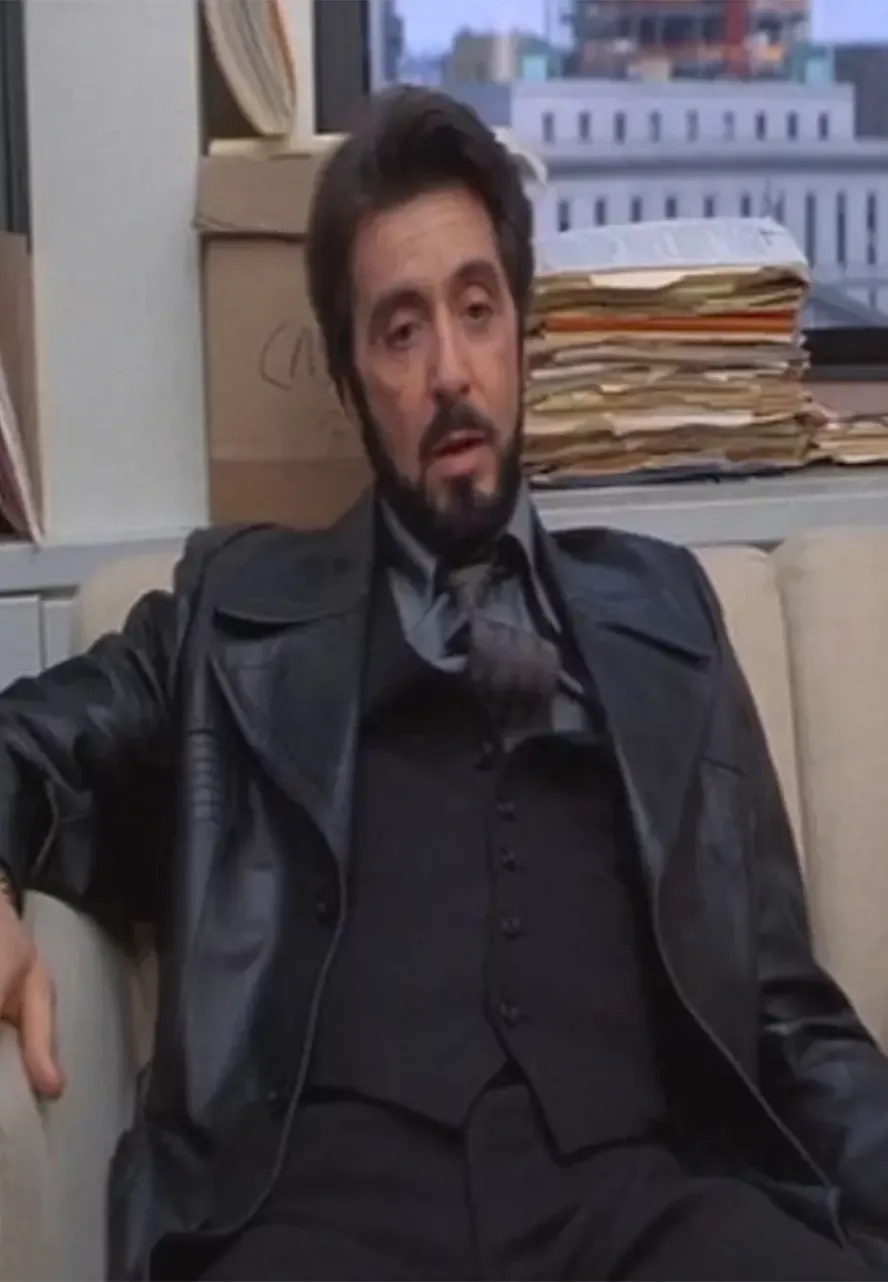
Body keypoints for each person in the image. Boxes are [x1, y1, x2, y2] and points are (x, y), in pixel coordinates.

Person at [0, 86, 885, 1282]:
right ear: (350, 380)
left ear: (524, 336)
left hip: (640, 1208)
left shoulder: (664, 618)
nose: (450, 372)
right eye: (401, 330)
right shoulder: (232, 616)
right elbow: (28, 745)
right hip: (326, 1219)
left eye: (476, 310)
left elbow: (787, 1011)